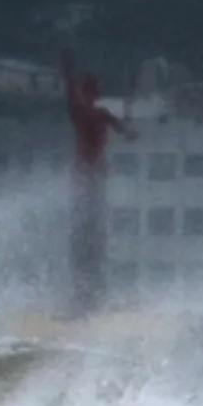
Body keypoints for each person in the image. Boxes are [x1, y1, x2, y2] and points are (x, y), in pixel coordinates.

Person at [61, 50, 138, 317]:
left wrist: (69, 73)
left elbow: (72, 96)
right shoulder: (95, 113)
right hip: (92, 176)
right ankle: (87, 296)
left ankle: (85, 297)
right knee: (91, 236)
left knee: (84, 237)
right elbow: (124, 130)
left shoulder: (83, 113)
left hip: (85, 176)